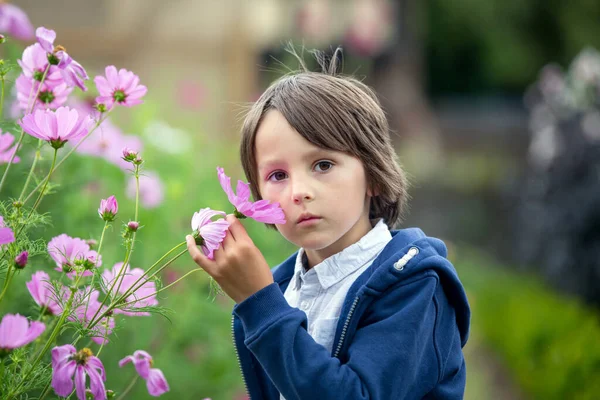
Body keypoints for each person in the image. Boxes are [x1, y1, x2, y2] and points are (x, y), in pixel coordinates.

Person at [186, 47, 470, 400]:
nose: (299, 192)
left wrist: (260, 303)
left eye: (322, 165)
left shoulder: (414, 286)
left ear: (373, 175)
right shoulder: (283, 287)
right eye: (277, 175)